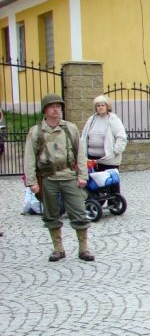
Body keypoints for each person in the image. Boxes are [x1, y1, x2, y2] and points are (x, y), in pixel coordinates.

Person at [24, 94, 94, 261]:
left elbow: (80, 153)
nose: (57, 110)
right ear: (45, 110)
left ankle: (83, 249)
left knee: (79, 212)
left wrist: (83, 176)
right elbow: (29, 158)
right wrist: (32, 182)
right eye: (52, 107)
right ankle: (58, 248)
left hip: (70, 176)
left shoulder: (70, 128)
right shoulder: (36, 132)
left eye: (59, 106)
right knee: (51, 215)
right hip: (48, 178)